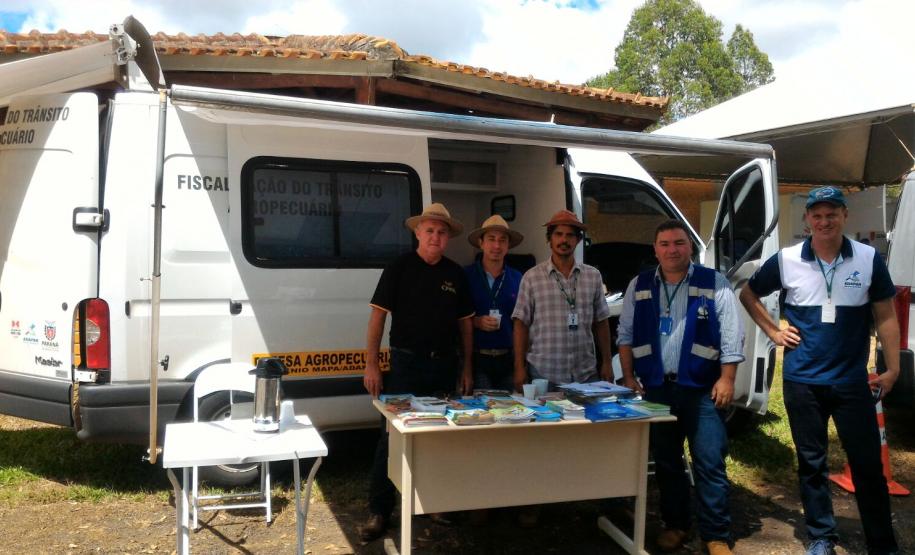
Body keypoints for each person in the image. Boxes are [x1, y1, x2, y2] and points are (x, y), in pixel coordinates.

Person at [740, 186, 900, 555]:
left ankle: (882, 542)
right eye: (817, 215)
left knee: (866, 465)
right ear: (807, 220)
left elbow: (886, 315)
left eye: (831, 214)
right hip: (802, 382)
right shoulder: (787, 258)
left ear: (845, 216)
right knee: (811, 464)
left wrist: (891, 368)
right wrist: (772, 329)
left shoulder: (868, 258)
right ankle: (821, 536)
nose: (824, 221)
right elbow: (748, 293)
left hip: (851, 382)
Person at [617, 219, 743, 555]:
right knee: (668, 463)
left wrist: (727, 378)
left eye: (678, 243)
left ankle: (716, 535)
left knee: (709, 462)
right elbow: (625, 335)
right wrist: (629, 378)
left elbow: (732, 334)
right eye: (664, 244)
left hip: (702, 389)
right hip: (657, 389)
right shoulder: (639, 285)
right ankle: (677, 526)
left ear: (690, 247)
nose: (672, 250)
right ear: (655, 249)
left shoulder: (713, 282)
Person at [359, 202, 475, 542]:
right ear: (417, 233)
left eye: (441, 232)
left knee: (439, 437)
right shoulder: (398, 268)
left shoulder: (455, 274)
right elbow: (377, 318)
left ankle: (435, 504)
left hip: (444, 367)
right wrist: (372, 365)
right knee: (390, 438)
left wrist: (467, 366)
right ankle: (379, 511)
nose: (435, 236)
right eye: (429, 231)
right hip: (406, 366)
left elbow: (466, 325)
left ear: (448, 238)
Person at [512, 209, 612, 392]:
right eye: (558, 234)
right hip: (543, 375)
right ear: (549, 238)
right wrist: (519, 368)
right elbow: (521, 325)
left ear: (578, 240)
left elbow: (601, 322)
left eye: (569, 235)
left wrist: (607, 362)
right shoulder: (531, 277)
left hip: (586, 374)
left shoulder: (593, 276)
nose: (563, 240)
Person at [464, 215, 525, 392]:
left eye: (502, 240)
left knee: (508, 414)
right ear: (481, 243)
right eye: (491, 239)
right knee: (483, 415)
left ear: (508, 246)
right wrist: (476, 321)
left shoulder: (518, 278)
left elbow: (523, 323)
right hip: (477, 359)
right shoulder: (465, 275)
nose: (496, 246)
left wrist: (519, 365)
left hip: (508, 360)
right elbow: (455, 318)